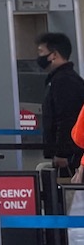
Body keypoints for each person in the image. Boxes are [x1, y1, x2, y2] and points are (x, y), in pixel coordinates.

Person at [38, 32, 84, 175]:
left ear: (54, 55)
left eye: (41, 52)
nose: (39, 56)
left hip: (71, 157)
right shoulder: (59, 79)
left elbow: (66, 118)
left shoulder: (65, 81)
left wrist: (62, 152)